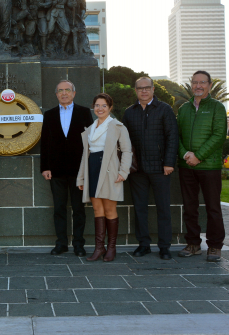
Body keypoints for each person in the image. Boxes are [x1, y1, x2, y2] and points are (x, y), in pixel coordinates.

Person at [122, 77, 178, 260]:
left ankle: (164, 247)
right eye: (140, 88)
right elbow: (124, 142)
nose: (144, 91)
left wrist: (169, 162)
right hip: (137, 171)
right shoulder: (129, 112)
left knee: (163, 209)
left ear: (153, 90)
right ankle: (143, 244)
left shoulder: (164, 109)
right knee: (140, 208)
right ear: (136, 90)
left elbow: (172, 137)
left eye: (147, 88)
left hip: (161, 168)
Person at [177, 70, 227, 262]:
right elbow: (177, 136)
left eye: (202, 82)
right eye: (195, 82)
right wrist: (185, 154)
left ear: (209, 85)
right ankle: (193, 244)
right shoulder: (183, 109)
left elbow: (219, 136)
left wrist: (198, 156)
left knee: (213, 207)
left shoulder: (217, 107)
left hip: (209, 166)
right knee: (189, 207)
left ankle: (214, 246)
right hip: (186, 166)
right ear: (191, 84)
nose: (198, 85)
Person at [40, 80, 93, 256]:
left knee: (79, 209)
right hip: (56, 170)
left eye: (67, 90)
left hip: (79, 170)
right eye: (60, 90)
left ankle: (79, 244)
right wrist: (45, 167)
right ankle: (61, 243)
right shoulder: (49, 114)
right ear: (56, 94)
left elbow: (91, 142)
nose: (64, 93)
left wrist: (88, 170)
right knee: (59, 209)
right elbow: (45, 143)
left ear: (74, 93)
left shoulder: (84, 112)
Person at [77, 93, 132, 262]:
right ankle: (99, 247)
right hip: (92, 168)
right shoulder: (90, 128)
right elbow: (85, 155)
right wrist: (81, 178)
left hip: (109, 170)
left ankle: (112, 248)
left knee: (109, 210)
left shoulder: (117, 126)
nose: (100, 109)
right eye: (97, 105)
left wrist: (123, 172)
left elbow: (127, 151)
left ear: (110, 108)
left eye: (103, 106)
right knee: (97, 210)